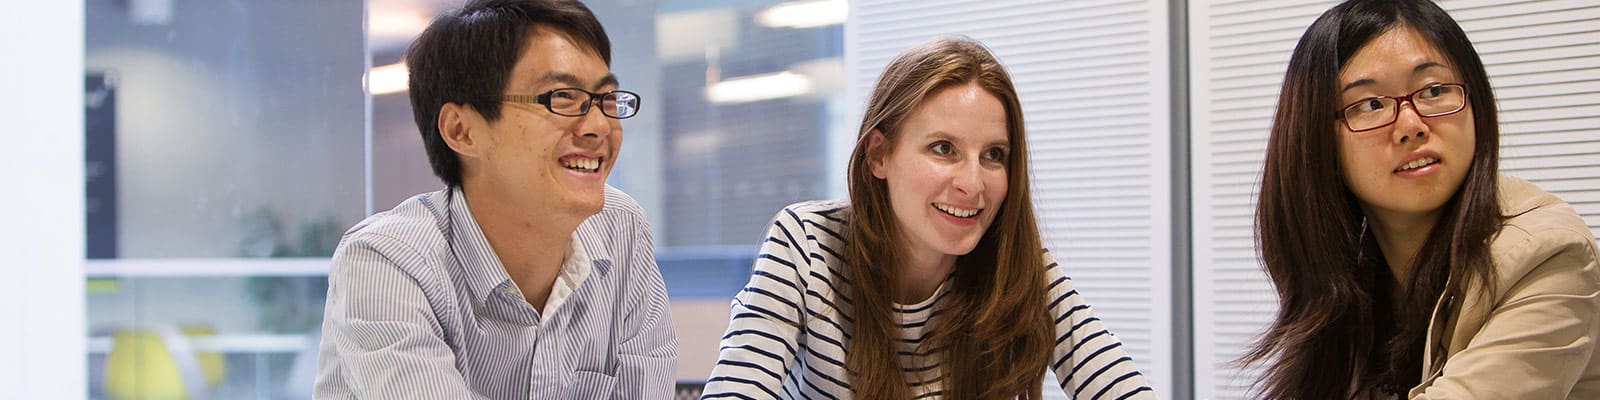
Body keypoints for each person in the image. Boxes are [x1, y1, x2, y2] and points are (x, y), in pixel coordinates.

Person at [701, 37, 1154, 400]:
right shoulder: (807, 244)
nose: (972, 184)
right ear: (879, 154)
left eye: (994, 155)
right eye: (943, 149)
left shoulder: (1014, 259)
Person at [313, 0, 676, 398]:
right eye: (561, 98)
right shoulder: (389, 261)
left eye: (605, 98)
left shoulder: (620, 229)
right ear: (462, 131)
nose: (598, 126)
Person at [1244, 0, 1600, 398]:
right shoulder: (1350, 276)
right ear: (1315, 139)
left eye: (1433, 90)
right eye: (1371, 104)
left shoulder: (1547, 253)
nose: (1410, 126)